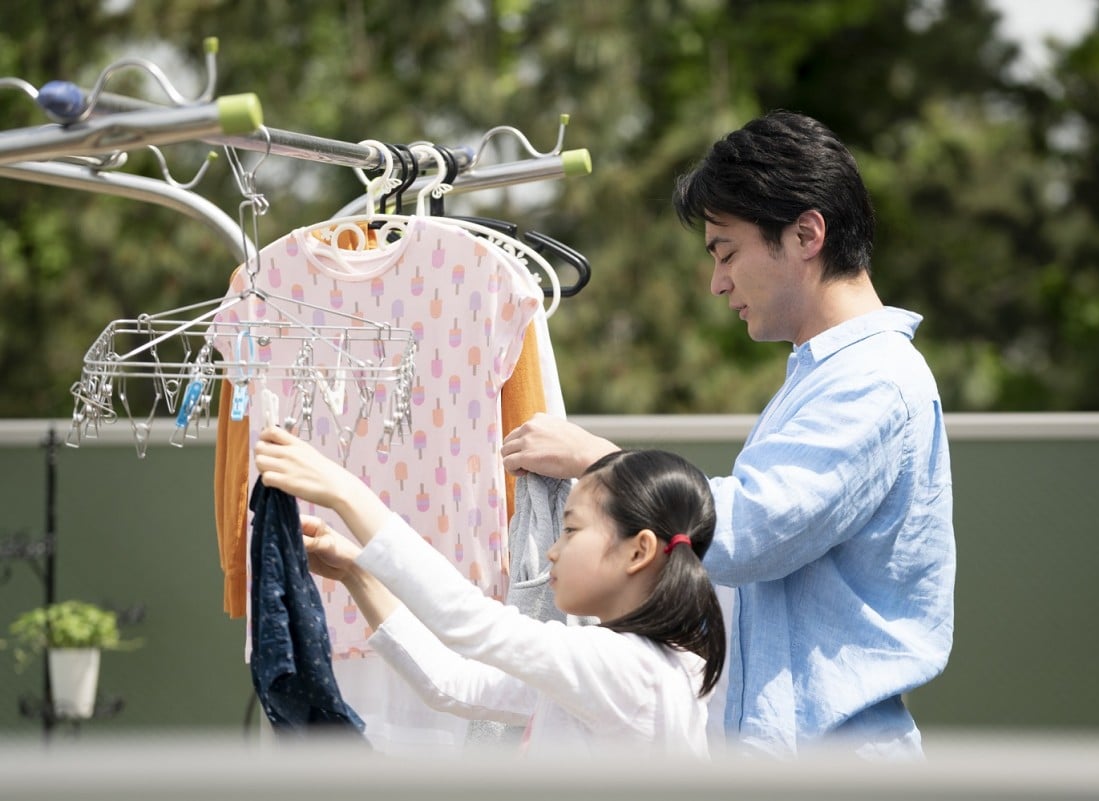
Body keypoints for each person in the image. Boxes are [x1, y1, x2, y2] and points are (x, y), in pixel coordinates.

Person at [500, 110, 955, 760]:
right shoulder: (823, 375)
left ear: (806, 233)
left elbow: (752, 529)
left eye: (727, 251)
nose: (717, 282)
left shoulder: (874, 379)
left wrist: (598, 460)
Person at [254, 425, 726, 758]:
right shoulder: (636, 666)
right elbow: (455, 684)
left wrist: (345, 492)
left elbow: (473, 624)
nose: (552, 552)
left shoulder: (627, 668)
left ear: (638, 550)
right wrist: (359, 574)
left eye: (571, 529)